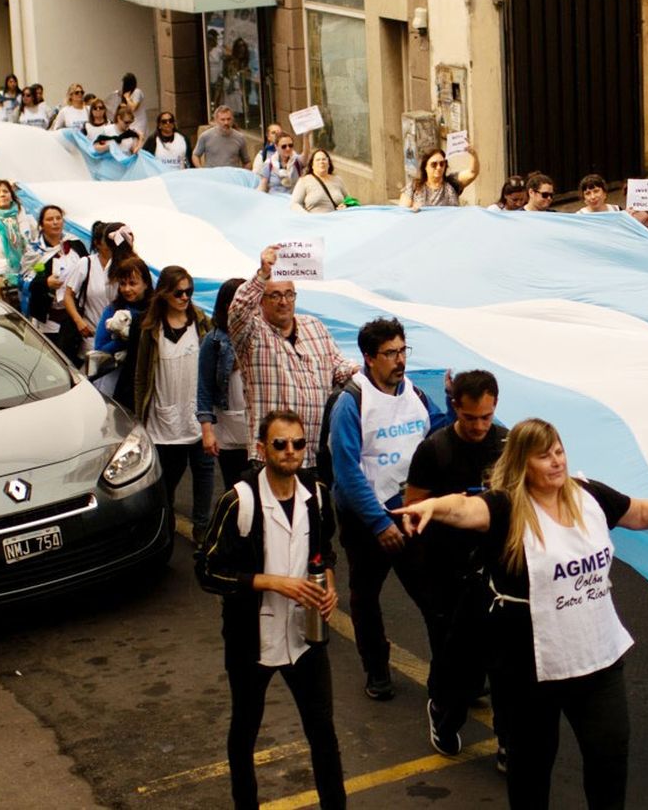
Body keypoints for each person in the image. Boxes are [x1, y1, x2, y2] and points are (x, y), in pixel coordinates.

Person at [393, 418, 648, 808]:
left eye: (559, 451)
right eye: (544, 456)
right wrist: (434, 507)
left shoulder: (587, 495)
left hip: (597, 658)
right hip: (528, 667)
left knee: (609, 760)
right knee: (530, 769)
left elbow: (639, 512)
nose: (557, 462)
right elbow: (464, 508)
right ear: (524, 463)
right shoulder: (506, 507)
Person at [196, 409, 346, 810]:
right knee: (245, 731)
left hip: (306, 637)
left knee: (323, 733)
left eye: (298, 444)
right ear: (262, 449)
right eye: (280, 444)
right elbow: (208, 572)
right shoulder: (239, 501)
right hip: (252, 641)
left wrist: (328, 586)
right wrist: (272, 581)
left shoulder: (318, 496)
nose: (290, 451)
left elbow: (324, 549)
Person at [329, 317, 452, 701]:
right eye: (390, 353)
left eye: (403, 351)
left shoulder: (413, 392)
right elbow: (347, 472)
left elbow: (438, 432)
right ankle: (377, 670)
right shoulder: (352, 402)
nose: (400, 360)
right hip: (369, 521)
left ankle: (451, 674)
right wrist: (379, 523)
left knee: (435, 600)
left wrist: (451, 402)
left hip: (410, 515)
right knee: (365, 598)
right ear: (368, 357)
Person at [404, 369, 507, 756]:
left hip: (495, 571)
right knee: (454, 663)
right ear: (455, 408)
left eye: (486, 417)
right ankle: (444, 713)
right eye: (470, 418)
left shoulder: (507, 445)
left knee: (503, 662)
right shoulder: (434, 450)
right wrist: (454, 510)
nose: (480, 426)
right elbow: (413, 508)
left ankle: (507, 741)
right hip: (445, 572)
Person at [228, 245, 359, 465]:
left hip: (313, 456)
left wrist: (359, 373)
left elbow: (337, 367)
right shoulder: (252, 334)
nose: (284, 301)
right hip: (270, 458)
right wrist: (262, 275)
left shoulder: (314, 326)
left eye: (289, 294)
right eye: (276, 295)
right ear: (261, 300)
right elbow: (238, 311)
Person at [135, 266, 216, 541]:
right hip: (164, 417)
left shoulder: (201, 323)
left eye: (189, 292)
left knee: (204, 472)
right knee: (168, 475)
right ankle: (166, 522)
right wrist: (140, 418)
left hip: (198, 412)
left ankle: (202, 525)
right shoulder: (151, 329)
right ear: (165, 294)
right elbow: (141, 377)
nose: (184, 297)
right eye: (179, 292)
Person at [199, 278, 253, 491]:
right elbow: (203, 387)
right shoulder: (213, 341)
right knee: (236, 489)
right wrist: (207, 430)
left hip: (256, 428)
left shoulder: (261, 335)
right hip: (228, 430)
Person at [60, 222, 132, 360]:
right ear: (98, 243)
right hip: (91, 337)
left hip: (119, 338)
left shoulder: (124, 266)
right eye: (107, 240)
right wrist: (79, 321)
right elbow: (68, 295)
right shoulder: (86, 264)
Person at [92, 255, 153, 404]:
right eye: (122, 284)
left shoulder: (154, 312)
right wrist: (125, 339)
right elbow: (100, 348)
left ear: (145, 283)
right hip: (115, 381)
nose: (127, 289)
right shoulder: (113, 311)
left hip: (146, 380)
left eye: (133, 283)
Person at [24, 204, 86, 339]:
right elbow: (25, 281)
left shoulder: (75, 244)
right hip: (48, 316)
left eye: (58, 218)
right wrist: (46, 283)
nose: (55, 222)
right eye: (50, 219)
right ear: (41, 224)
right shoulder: (34, 251)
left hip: (76, 313)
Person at [399, 145, 481, 209]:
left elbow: (472, 173)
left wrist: (474, 155)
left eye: (442, 164)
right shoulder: (414, 187)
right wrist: (413, 209)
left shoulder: (452, 182)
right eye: (434, 164)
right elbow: (402, 213)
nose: (438, 168)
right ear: (425, 167)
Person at [290, 149, 347, 213]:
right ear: (312, 165)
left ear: (329, 163)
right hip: (315, 220)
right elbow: (295, 204)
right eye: (318, 160)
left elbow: (349, 200)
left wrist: (345, 206)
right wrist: (306, 216)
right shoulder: (304, 181)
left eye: (324, 159)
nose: (321, 162)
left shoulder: (337, 180)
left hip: (337, 220)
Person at [258, 132, 304, 196]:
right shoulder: (269, 163)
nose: (288, 148)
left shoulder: (297, 160)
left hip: (293, 200)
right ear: (276, 146)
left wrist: (306, 137)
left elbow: (306, 158)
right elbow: (262, 186)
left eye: (290, 145)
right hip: (275, 201)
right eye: (284, 146)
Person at [117, 73, 146, 137]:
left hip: (138, 122)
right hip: (130, 122)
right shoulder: (128, 93)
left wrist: (127, 98)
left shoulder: (137, 92)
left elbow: (133, 108)